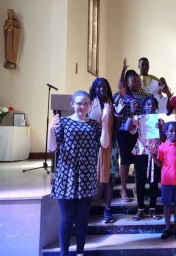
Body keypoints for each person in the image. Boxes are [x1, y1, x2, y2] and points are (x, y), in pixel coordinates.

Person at [47, 90, 110, 256]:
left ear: (90, 106)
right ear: (72, 104)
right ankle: (64, 253)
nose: (82, 106)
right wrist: (51, 131)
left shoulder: (94, 125)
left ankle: (80, 252)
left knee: (82, 219)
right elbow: (52, 148)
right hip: (66, 176)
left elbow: (105, 144)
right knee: (67, 219)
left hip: (86, 177)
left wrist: (104, 124)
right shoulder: (63, 122)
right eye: (79, 103)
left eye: (86, 103)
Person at [115, 70, 150, 202]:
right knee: (125, 160)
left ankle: (138, 188)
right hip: (124, 131)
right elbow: (116, 113)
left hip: (140, 132)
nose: (136, 83)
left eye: (138, 80)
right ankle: (123, 189)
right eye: (133, 80)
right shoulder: (121, 95)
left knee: (138, 161)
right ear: (127, 83)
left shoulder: (144, 96)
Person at [152, 121, 176, 239]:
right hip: (166, 183)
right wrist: (152, 155)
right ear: (165, 132)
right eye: (171, 131)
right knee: (167, 206)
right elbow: (159, 164)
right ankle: (167, 228)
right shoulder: (162, 147)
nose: (174, 133)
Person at [130, 97, 163, 221]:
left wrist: (160, 128)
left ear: (156, 107)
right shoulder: (139, 119)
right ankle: (140, 209)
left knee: (153, 181)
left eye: (153, 104)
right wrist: (133, 113)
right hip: (141, 152)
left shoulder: (159, 120)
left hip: (155, 153)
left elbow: (163, 138)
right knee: (140, 181)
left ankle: (153, 208)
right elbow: (130, 130)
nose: (150, 106)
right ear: (144, 106)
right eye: (148, 104)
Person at [88, 78, 116, 224]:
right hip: (92, 144)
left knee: (108, 178)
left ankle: (108, 209)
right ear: (94, 89)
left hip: (108, 145)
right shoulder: (90, 104)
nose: (102, 89)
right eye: (99, 87)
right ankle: (85, 209)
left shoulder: (111, 104)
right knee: (91, 176)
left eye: (104, 87)